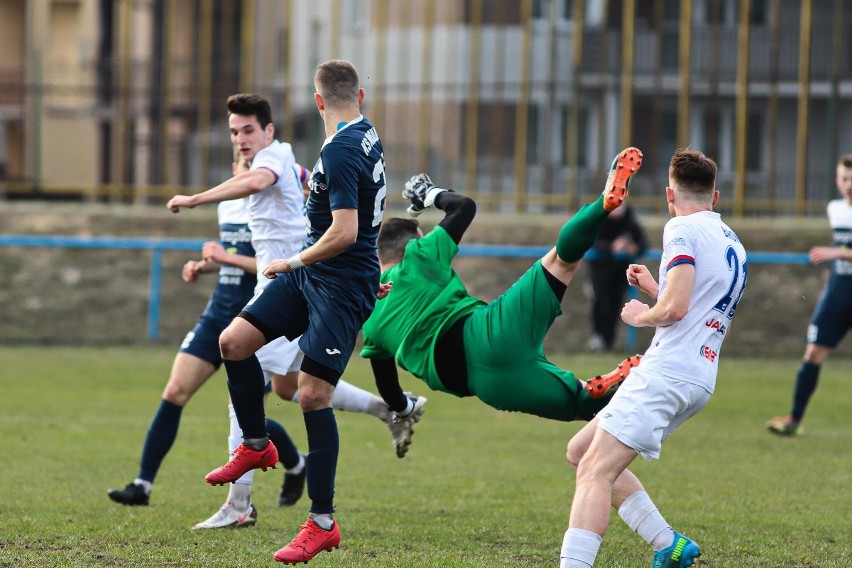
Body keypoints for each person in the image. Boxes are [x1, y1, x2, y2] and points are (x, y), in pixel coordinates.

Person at [177, 60, 391, 565]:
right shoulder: (365, 135)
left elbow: (344, 231)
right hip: (318, 276)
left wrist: (293, 261)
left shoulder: (339, 149)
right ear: (359, 94)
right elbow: (368, 214)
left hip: (334, 285)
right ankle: (256, 443)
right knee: (234, 341)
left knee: (312, 395)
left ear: (317, 101)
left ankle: (321, 524)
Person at [361, 148, 645, 449]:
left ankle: (592, 390)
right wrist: (429, 194)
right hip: (488, 332)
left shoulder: (370, 316)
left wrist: (403, 409)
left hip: (486, 385)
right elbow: (463, 207)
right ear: (413, 243)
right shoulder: (419, 256)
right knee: (562, 261)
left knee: (581, 404)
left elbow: (388, 386)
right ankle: (604, 204)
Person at [559, 148, 748, 568]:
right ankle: (669, 544)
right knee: (580, 450)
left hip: (669, 371)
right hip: (699, 374)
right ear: (715, 198)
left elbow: (677, 310)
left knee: (594, 471)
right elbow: (699, 308)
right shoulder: (732, 241)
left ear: (669, 194)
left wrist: (641, 315)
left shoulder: (680, 229)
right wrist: (654, 290)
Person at [108, 155, 305, 524]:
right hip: (218, 313)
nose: (245, 161)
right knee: (175, 391)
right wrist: (208, 264)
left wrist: (223, 255)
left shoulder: (280, 199)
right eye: (238, 156)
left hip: (256, 318)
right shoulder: (229, 203)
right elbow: (234, 255)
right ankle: (142, 484)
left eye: (252, 154)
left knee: (252, 410)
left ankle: (289, 468)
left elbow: (266, 260)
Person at [766, 154, 852, 436]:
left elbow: (841, 250)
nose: (849, 184)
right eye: (844, 178)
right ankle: (794, 419)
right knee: (813, 351)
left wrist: (837, 252)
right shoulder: (835, 209)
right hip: (839, 290)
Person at [585, 204, 648, 352]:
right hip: (599, 273)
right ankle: (598, 338)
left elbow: (643, 243)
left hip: (619, 275)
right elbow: (590, 242)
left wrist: (634, 248)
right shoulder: (599, 219)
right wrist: (611, 247)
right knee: (599, 303)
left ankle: (607, 342)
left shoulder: (630, 221)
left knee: (614, 306)